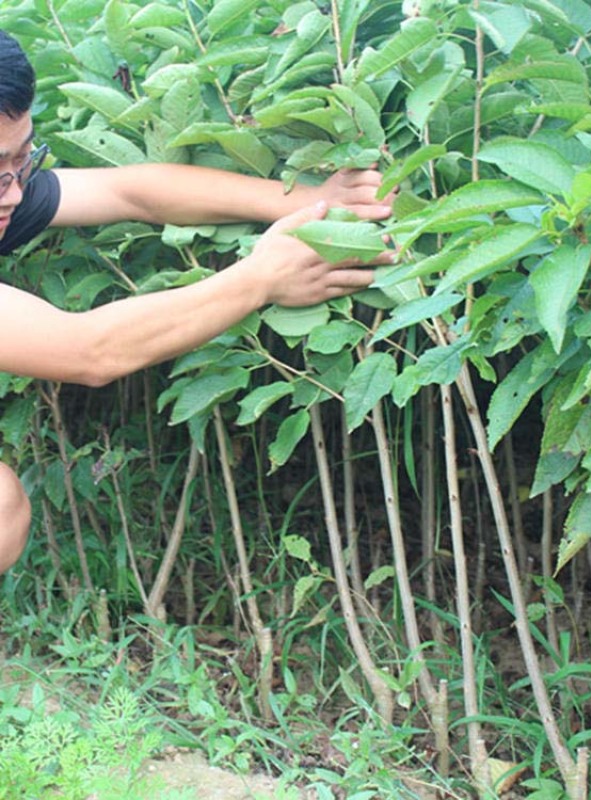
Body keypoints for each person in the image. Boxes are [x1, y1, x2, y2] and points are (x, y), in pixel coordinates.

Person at [0, 30, 396, 573]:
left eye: (22, 161)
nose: (16, 191)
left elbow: (128, 192)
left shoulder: (7, 189)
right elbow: (88, 350)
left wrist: (311, 200)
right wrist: (261, 277)